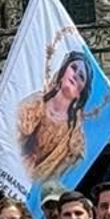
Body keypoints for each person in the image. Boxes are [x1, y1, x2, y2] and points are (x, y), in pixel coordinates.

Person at [17, 49, 95, 184]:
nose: (75, 75)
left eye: (81, 76)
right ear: (63, 72)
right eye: (73, 68)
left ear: (80, 94)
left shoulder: (73, 137)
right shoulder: (34, 103)